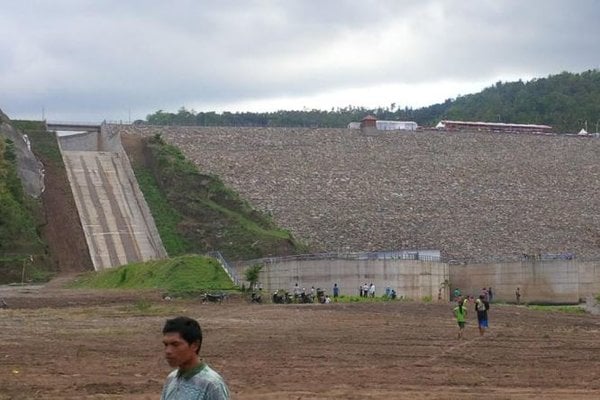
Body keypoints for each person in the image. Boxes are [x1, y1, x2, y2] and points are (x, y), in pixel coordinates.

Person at [161, 316, 230, 400]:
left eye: (175, 344)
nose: (168, 351)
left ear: (195, 345)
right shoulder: (171, 379)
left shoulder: (211, 384)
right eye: (166, 345)